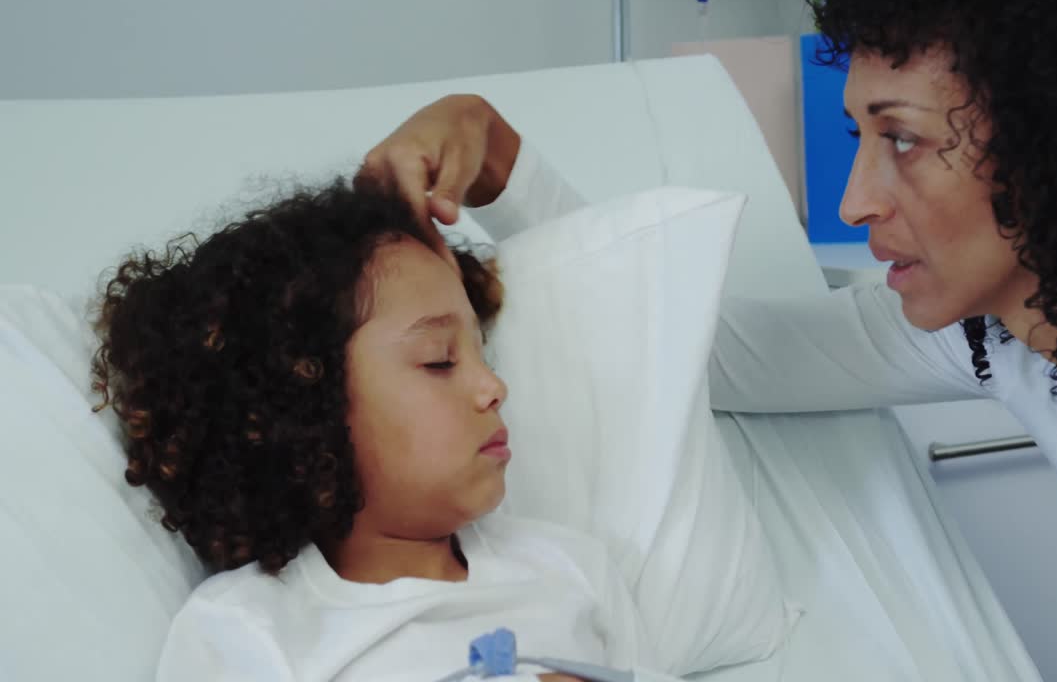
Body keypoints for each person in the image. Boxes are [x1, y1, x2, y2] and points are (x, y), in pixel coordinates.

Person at [357, 0, 1057, 679]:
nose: (856, 199)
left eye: (904, 140)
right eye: (859, 138)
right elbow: (705, 351)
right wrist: (497, 158)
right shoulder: (1012, 341)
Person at [92, 181, 681, 682]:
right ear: (305, 408)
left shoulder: (571, 569)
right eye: (440, 360)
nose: (493, 388)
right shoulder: (249, 628)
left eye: (484, 355)